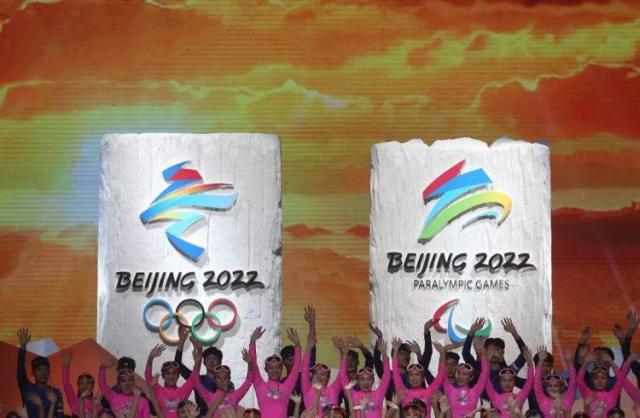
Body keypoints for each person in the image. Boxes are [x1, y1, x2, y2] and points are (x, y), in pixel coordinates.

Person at [174, 325, 231, 416]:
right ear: (204, 362)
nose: (211, 361)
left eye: (214, 359)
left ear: (220, 362)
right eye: (208, 359)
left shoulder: (227, 383)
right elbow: (177, 366)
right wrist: (181, 342)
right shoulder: (197, 379)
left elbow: (230, 403)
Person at [301, 306, 347, 412]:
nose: (319, 376)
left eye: (322, 374)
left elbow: (342, 374)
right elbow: (304, 370)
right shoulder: (307, 389)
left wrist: (342, 354)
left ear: (328, 377)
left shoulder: (333, 390)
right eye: (316, 374)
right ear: (312, 376)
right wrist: (308, 347)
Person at [249, 326, 301, 417]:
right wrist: (252, 341)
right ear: (266, 370)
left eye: (277, 368)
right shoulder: (260, 385)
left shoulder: (287, 386)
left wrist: (297, 345)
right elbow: (253, 364)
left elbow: (296, 367)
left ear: (281, 369)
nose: (274, 371)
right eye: (271, 368)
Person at [392, 337, 447, 415]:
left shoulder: (429, 392)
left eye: (417, 375)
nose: (414, 378)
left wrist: (442, 353)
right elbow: (396, 373)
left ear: (423, 378)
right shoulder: (403, 393)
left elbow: (441, 375)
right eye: (411, 375)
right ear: (408, 378)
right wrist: (396, 350)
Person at [16, 328, 64, 418]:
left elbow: (60, 416)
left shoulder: (56, 393)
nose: (43, 373)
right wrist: (22, 348)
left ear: (49, 372)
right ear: (33, 372)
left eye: (46, 370)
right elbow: (20, 370)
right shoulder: (27, 388)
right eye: (39, 370)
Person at [145, 343, 201, 418]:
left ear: (178, 375)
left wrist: (197, 363)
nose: (171, 377)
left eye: (174, 373)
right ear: (163, 376)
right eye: (167, 373)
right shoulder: (158, 390)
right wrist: (150, 357)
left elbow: (193, 378)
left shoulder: (183, 391)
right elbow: (148, 376)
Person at [194, 347, 253, 417]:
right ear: (215, 380)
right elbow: (196, 382)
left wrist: (250, 364)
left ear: (229, 379)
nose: (222, 380)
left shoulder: (235, 396)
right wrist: (197, 364)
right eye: (219, 378)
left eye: (225, 378)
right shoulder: (209, 396)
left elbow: (248, 382)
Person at [577, 351, 635, 418]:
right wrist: (586, 362)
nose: (599, 381)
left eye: (603, 378)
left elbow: (621, 380)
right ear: (592, 381)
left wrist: (611, 362)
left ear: (607, 380)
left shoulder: (612, 395)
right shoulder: (588, 393)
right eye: (596, 378)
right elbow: (579, 380)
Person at [442, 337, 489, 418]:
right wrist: (443, 352)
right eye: (459, 373)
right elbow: (442, 373)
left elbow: (484, 373)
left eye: (464, 374)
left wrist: (483, 353)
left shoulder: (475, 391)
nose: (460, 376)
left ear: (471, 377)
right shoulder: (450, 390)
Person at [346, 338, 390, 418]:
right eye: (362, 379)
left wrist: (384, 353)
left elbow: (386, 377)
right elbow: (342, 376)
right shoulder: (353, 394)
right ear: (358, 381)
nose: (366, 382)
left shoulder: (378, 394)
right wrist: (342, 354)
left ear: (373, 381)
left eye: (369, 379)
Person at [484, 346, 534, 418]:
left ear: (514, 382)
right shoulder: (495, 396)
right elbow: (485, 380)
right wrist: (487, 362)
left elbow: (529, 382)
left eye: (510, 380)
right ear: (500, 382)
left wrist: (530, 363)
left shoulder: (520, 397)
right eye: (504, 380)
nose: (507, 383)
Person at [534, 347, 576, 418]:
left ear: (561, 387)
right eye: (550, 386)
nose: (552, 388)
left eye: (556, 385)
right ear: (546, 388)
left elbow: (573, 382)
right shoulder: (543, 401)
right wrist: (540, 361)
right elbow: (537, 386)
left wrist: (569, 361)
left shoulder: (567, 398)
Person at [62, 350, 99, 417]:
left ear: (93, 385)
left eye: (88, 383)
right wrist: (66, 365)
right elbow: (66, 384)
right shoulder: (74, 401)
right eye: (82, 383)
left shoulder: (98, 403)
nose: (85, 385)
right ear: (78, 386)